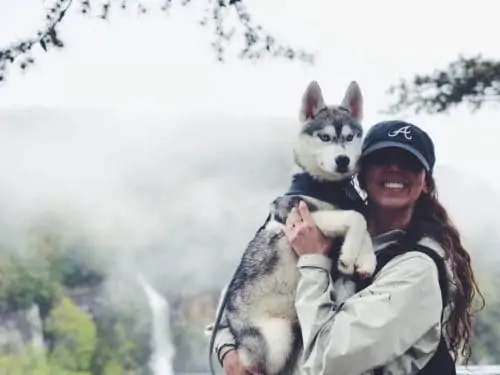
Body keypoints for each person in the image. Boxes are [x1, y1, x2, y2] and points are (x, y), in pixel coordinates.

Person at [210, 120, 484, 375]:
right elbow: (240, 300)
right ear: (360, 174)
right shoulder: (327, 230)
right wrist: (229, 352)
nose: (395, 169)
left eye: (409, 163)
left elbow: (329, 358)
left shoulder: (416, 268)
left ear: (425, 182)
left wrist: (314, 261)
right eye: (382, 160)